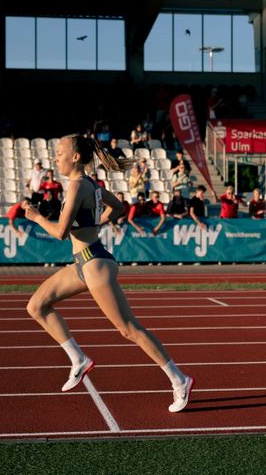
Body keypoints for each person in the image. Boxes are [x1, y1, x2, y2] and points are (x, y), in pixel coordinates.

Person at [24, 134, 193, 412]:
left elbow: (60, 233)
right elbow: (119, 208)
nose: (56, 157)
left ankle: (179, 380)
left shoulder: (78, 186)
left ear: (75, 157)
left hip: (94, 264)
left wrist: (37, 217)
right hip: (84, 263)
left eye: (59, 152)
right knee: (36, 306)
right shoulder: (90, 184)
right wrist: (95, 224)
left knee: (129, 329)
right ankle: (78, 360)